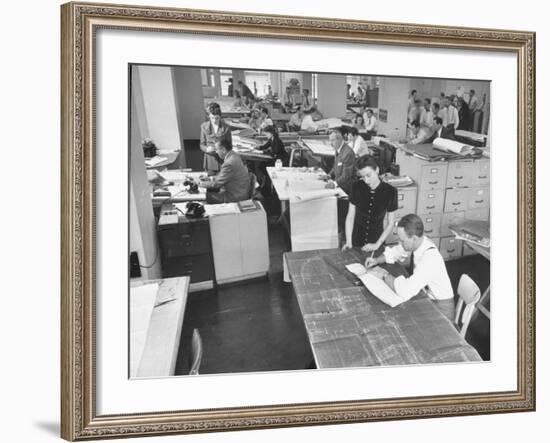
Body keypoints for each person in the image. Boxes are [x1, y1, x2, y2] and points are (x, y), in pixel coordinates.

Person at [364, 213, 456, 321]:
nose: (400, 243)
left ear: (414, 238)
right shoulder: (419, 243)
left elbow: (405, 290)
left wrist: (384, 275)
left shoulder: (430, 258)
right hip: (427, 297)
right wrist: (376, 260)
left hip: (441, 310)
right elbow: (396, 252)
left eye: (402, 240)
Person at [342, 155, 397, 252]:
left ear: (377, 170)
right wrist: (349, 241)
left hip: (376, 240)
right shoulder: (356, 187)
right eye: (363, 177)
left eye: (368, 175)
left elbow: (390, 223)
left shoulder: (390, 191)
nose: (366, 181)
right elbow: (350, 217)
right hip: (356, 239)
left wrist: (377, 244)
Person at [200, 139, 250, 204]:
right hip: (241, 192)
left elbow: (216, 184)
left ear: (223, 150)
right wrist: (210, 178)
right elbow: (225, 176)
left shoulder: (229, 163)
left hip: (234, 197)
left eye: (217, 149)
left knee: (204, 197)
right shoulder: (234, 155)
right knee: (209, 192)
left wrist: (200, 184)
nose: (216, 152)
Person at [200, 102, 232, 175]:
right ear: (209, 116)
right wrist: (206, 149)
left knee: (223, 184)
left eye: (217, 118)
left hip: (223, 162)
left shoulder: (226, 127)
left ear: (220, 116)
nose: (214, 120)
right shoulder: (204, 126)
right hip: (210, 163)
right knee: (210, 183)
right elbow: (202, 145)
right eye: (212, 118)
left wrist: (222, 150)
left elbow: (230, 146)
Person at [326, 128, 356, 194]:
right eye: (330, 141)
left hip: (346, 188)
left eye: (332, 141)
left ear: (339, 139)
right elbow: (336, 166)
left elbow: (346, 176)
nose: (330, 143)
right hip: (339, 184)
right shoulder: (338, 149)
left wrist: (334, 184)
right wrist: (329, 175)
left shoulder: (348, 153)